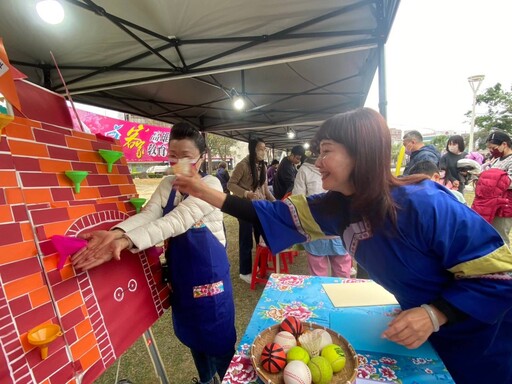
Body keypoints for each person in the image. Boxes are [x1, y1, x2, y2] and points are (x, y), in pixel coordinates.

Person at [174, 108, 512, 384]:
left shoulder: (425, 203)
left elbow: (500, 273)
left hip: (480, 339)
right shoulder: (336, 207)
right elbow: (269, 213)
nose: (317, 161)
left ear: (359, 153)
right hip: (419, 336)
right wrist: (203, 190)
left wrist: (435, 314)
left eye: (326, 151)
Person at [72, 123, 235, 384]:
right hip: (183, 279)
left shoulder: (211, 184)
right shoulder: (168, 183)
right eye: (173, 156)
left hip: (210, 280)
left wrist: (126, 241)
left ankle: (230, 379)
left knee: (220, 341)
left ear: (202, 157)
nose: (178, 163)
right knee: (194, 337)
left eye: (186, 156)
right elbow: (149, 215)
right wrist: (116, 233)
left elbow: (177, 221)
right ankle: (206, 380)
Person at [292, 154, 352, 277]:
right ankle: (341, 295)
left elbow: (297, 200)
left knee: (318, 276)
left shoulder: (304, 170)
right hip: (340, 230)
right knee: (342, 275)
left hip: (315, 230)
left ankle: (321, 296)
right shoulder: (342, 166)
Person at [227, 139, 275, 283]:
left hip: (260, 207)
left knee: (262, 238)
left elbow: (265, 189)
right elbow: (230, 184)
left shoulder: (263, 166)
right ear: (253, 149)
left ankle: (262, 267)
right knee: (246, 239)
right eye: (261, 148)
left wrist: (275, 201)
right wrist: (246, 193)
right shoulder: (243, 165)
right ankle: (245, 271)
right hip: (244, 207)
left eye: (265, 148)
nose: (264, 151)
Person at [472, 130, 512, 247]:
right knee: (491, 235)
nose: (491, 150)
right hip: (491, 203)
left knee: (501, 237)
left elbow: (510, 182)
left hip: (505, 205)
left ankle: (506, 263)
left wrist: (490, 179)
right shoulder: (496, 159)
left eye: (493, 147)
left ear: (504, 144)